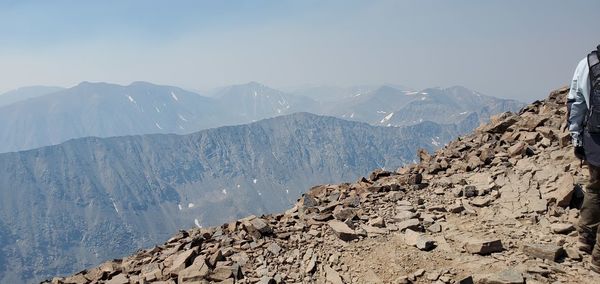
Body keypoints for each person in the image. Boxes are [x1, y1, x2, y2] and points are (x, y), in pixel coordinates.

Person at [568, 44, 600, 272]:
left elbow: (576, 102)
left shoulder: (587, 64)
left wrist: (576, 137)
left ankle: (585, 240)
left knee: (595, 188)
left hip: (594, 138)